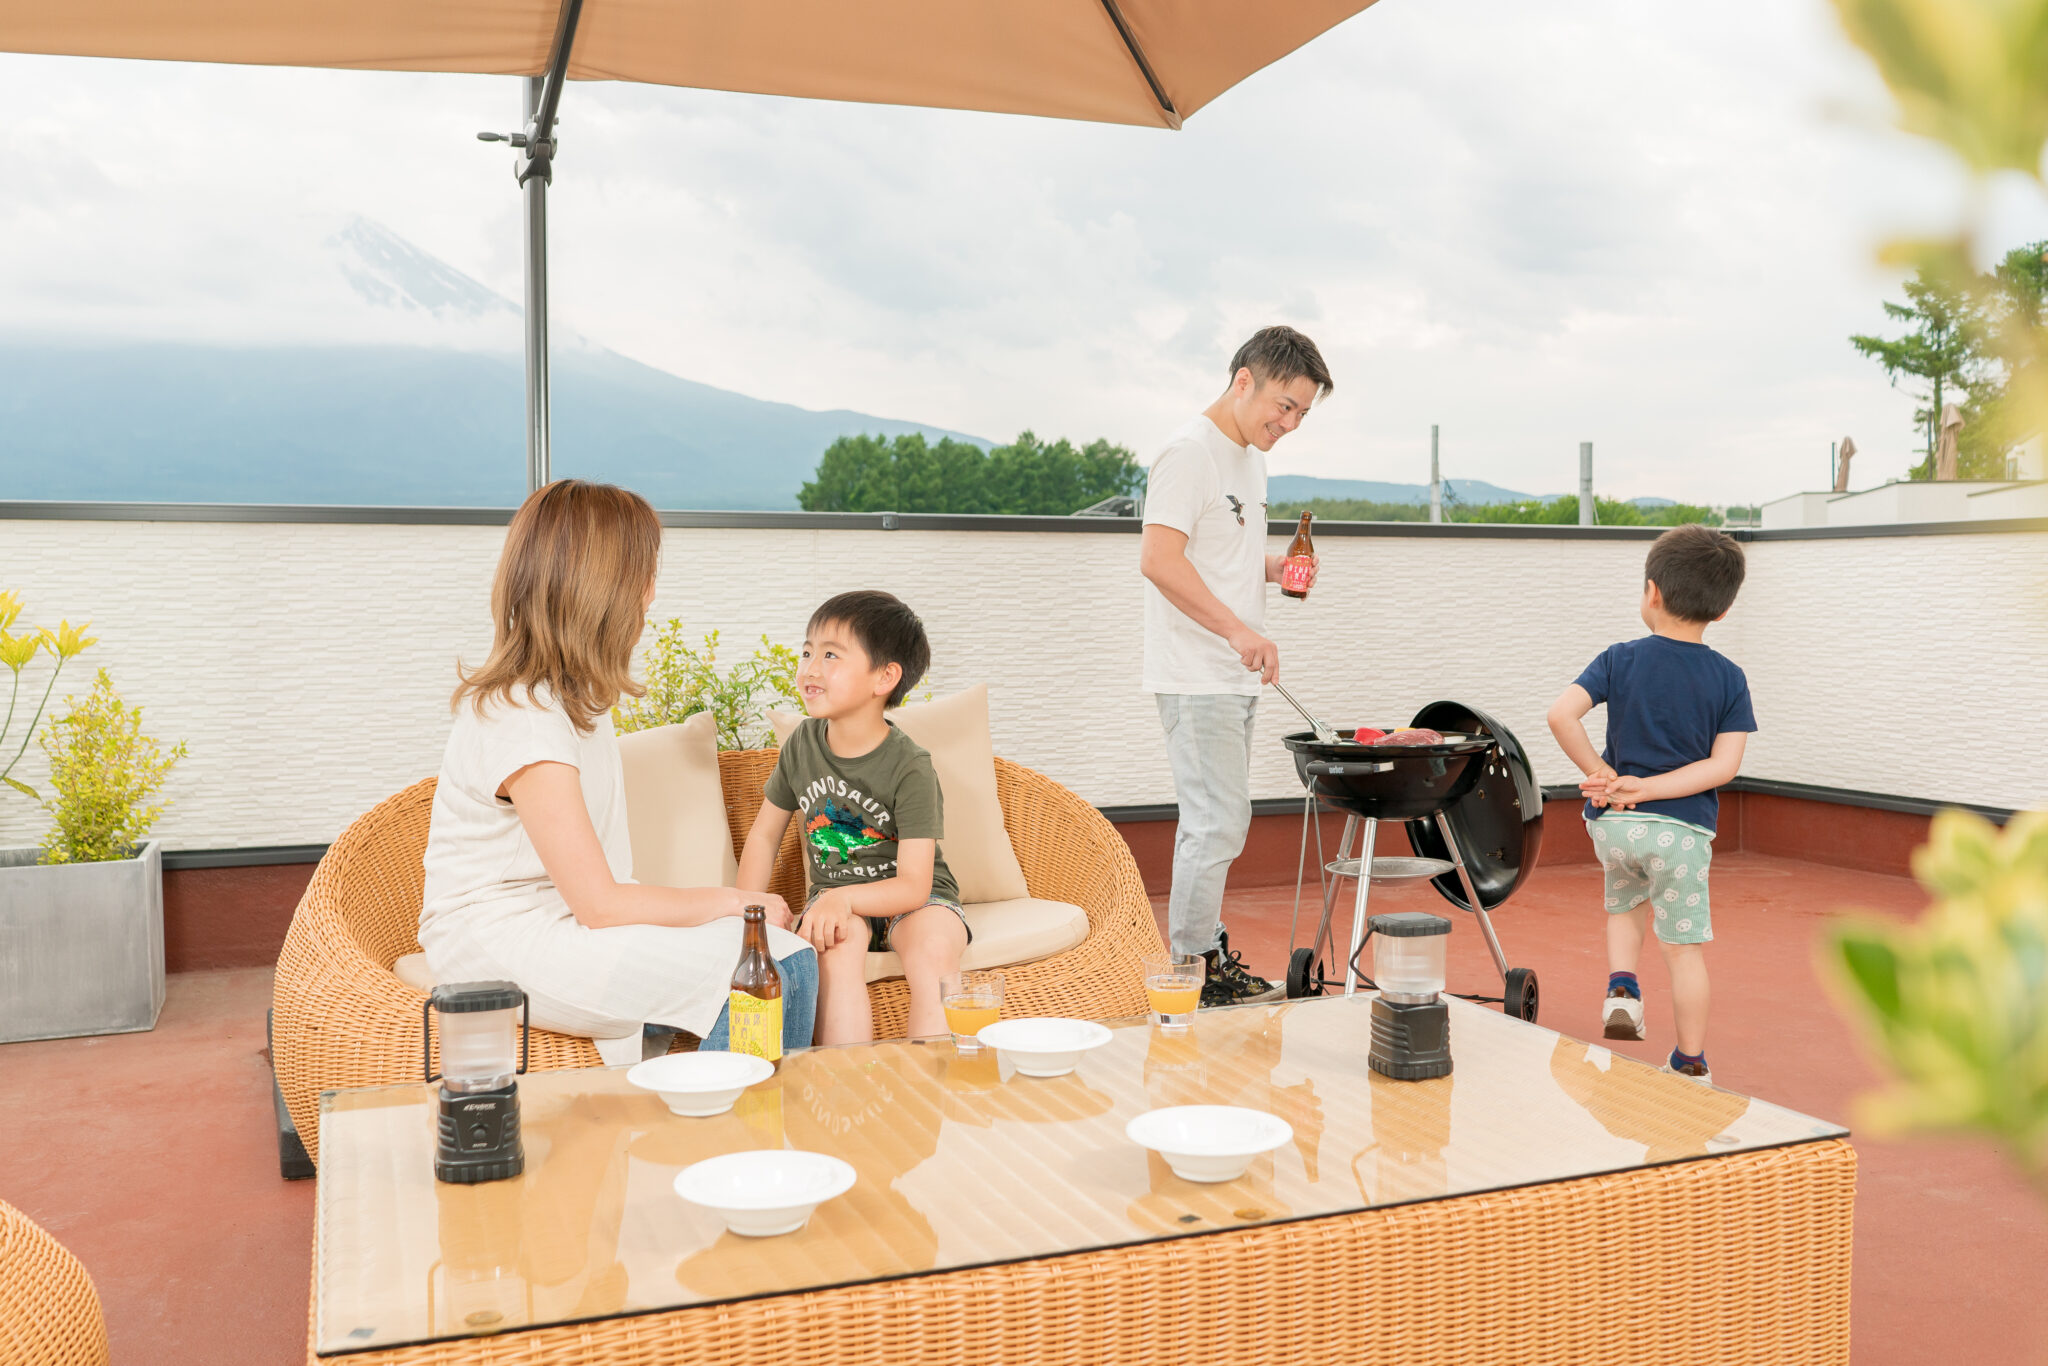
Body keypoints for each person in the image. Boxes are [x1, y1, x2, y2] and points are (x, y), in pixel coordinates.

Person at [419, 479, 817, 1066]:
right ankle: (732, 1145)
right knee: (777, 965)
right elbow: (601, 905)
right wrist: (735, 900)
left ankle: (710, 1125)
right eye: (644, 576)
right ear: (603, 591)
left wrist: (728, 913)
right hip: (496, 941)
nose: (652, 595)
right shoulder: (525, 717)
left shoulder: (574, 700)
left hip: (557, 920)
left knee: (775, 954)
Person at [1139, 325, 1334, 1006]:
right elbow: (1159, 560)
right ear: (1243, 378)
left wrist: (1277, 568)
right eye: (1283, 405)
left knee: (1221, 819)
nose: (1288, 423)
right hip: (1197, 672)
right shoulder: (1189, 453)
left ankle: (1204, 957)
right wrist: (1237, 631)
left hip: (1229, 673)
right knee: (1216, 822)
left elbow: (1215, 556)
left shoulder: (1249, 459)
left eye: (1302, 414)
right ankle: (1192, 971)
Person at [1546, 524, 1756, 1084]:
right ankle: (1690, 1064)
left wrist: (1602, 774)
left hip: (1614, 827)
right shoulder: (1730, 678)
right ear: (1723, 610)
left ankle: (1623, 986)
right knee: (1683, 949)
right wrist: (1654, 788)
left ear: (1652, 592)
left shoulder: (1619, 658)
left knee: (1623, 906)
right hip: (1680, 835)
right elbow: (1723, 766)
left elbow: (1560, 715)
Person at [738, 590, 968, 1045]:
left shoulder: (910, 766)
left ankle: (934, 1092)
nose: (810, 668)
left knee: (933, 950)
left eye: (830, 655)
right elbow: (764, 837)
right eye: (807, 652)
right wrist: (748, 918)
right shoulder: (802, 745)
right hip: (833, 903)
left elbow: (914, 885)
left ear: (885, 676)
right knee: (835, 957)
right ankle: (847, 1095)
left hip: (915, 901)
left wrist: (845, 900)